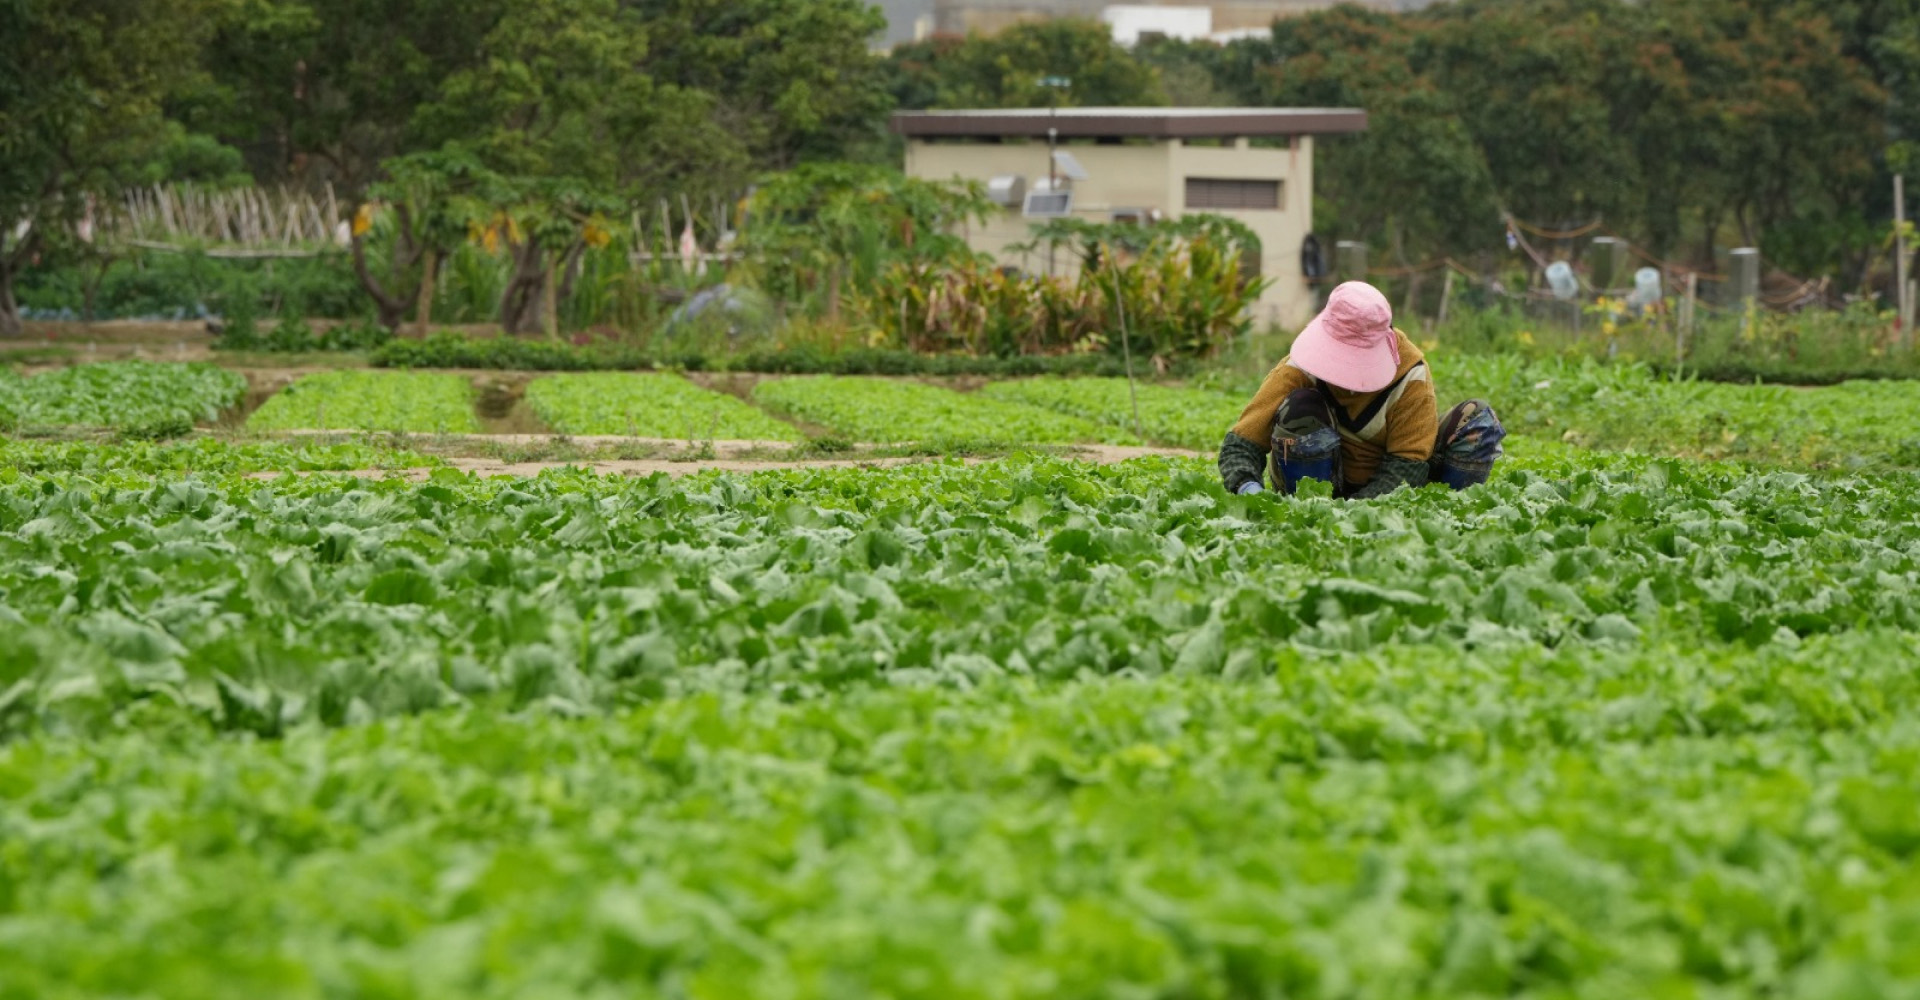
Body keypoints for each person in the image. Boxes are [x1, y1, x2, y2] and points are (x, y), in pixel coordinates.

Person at [1219, 281, 1505, 499]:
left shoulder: (1410, 376)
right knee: (1301, 408)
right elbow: (1242, 443)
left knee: (1477, 420)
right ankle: (1306, 511)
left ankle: (1449, 515)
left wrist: (1356, 513)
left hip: (1388, 493)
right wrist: (1249, 489)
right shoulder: (1297, 369)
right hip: (1320, 483)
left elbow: (1408, 466)